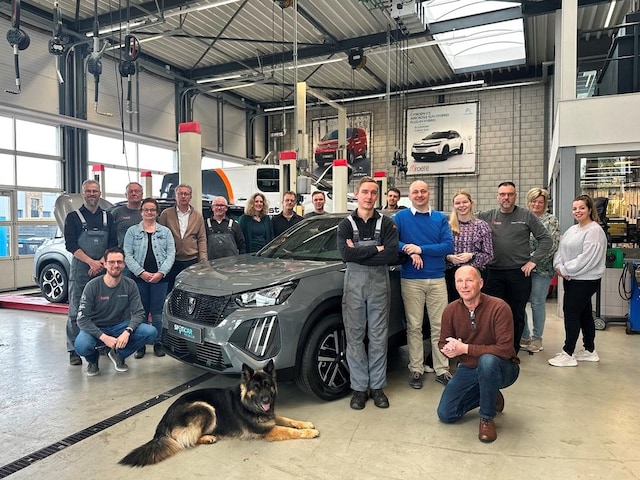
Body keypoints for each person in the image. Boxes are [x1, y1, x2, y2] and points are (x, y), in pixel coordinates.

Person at [437, 265, 520, 443]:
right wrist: (448, 349)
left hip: (503, 368)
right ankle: (490, 393)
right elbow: (442, 342)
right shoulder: (450, 310)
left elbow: (505, 349)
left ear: (480, 283)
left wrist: (465, 349)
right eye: (459, 281)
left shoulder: (499, 307)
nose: (464, 286)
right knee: (446, 414)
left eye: (469, 280)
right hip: (469, 367)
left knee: (487, 361)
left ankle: (486, 418)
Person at [337, 176, 399, 410]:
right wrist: (376, 249)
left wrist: (361, 253)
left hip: (379, 286)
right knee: (354, 337)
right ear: (356, 194)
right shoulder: (345, 225)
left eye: (373, 192)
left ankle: (377, 387)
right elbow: (346, 255)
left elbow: (391, 255)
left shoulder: (387, 223)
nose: (369, 196)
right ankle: (359, 388)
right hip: (353, 285)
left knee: (378, 336)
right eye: (365, 192)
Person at [477, 182, 552, 353]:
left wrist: (533, 261)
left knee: (516, 313)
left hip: (518, 273)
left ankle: (512, 350)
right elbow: (465, 217)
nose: (506, 198)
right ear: (497, 196)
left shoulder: (526, 215)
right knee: (493, 312)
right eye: (502, 194)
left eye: (510, 194)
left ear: (515, 196)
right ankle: (496, 346)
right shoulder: (488, 216)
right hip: (493, 273)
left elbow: (546, 239)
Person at [394, 180, 454, 389]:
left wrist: (420, 249)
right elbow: (393, 242)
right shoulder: (400, 217)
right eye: (415, 192)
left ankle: (442, 369)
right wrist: (409, 249)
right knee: (414, 326)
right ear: (409, 195)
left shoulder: (440, 218)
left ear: (429, 193)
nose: (419, 195)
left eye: (423, 191)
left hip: (437, 278)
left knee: (440, 326)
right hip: (411, 279)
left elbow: (448, 246)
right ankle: (416, 369)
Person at [74, 247, 157, 377]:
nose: (116, 265)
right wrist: (104, 337)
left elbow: (139, 312)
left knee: (150, 332)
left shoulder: (130, 285)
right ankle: (93, 361)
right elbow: (82, 319)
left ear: (124, 264)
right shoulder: (92, 286)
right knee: (82, 346)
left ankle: (118, 354)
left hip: (120, 326)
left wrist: (127, 331)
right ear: (105, 264)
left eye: (119, 262)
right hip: (96, 327)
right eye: (111, 262)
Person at [549, 194, 607, 367]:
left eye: (582, 208)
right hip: (571, 278)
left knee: (571, 314)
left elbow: (587, 259)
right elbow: (560, 250)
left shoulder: (594, 231)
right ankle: (590, 350)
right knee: (584, 314)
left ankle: (568, 353)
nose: (578, 211)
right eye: (575, 208)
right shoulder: (573, 229)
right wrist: (559, 266)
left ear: (589, 209)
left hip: (585, 281)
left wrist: (566, 269)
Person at [64, 179, 118, 366]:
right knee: (76, 310)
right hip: (81, 269)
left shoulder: (108, 217)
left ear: (100, 193)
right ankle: (73, 349)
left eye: (95, 191)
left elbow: (113, 242)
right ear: (83, 194)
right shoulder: (73, 217)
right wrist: (91, 262)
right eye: (88, 191)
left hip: (102, 268)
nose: (92, 194)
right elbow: (71, 244)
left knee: (101, 308)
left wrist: (102, 261)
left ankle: (100, 344)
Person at [124, 198, 176, 359]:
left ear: (157, 212)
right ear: (141, 212)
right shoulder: (132, 232)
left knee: (158, 313)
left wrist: (161, 273)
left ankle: (158, 342)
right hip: (139, 279)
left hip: (160, 279)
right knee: (141, 312)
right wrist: (141, 272)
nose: (149, 212)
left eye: (152, 210)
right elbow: (127, 254)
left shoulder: (165, 232)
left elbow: (171, 254)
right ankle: (140, 344)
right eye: (146, 209)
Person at [520, 188, 560, 353]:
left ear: (545, 203)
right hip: (521, 268)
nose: (536, 204)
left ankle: (537, 338)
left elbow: (552, 245)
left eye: (540, 202)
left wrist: (533, 260)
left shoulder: (551, 220)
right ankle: (524, 335)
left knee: (537, 302)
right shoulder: (523, 218)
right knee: (519, 302)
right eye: (533, 201)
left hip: (541, 269)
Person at [445, 190, 493, 302]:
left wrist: (472, 256)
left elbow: (489, 255)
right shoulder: (447, 227)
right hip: (452, 275)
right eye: (458, 203)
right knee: (455, 306)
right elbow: (440, 251)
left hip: (475, 274)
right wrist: (449, 258)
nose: (461, 205)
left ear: (471, 203)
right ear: (453, 206)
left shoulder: (482, 226)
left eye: (465, 202)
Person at [159, 184, 207, 291]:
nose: (183, 196)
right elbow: (160, 238)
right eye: (180, 194)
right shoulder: (166, 214)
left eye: (186, 194)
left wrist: (203, 261)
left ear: (190, 197)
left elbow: (202, 239)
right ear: (175, 196)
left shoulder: (198, 216)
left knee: (191, 290)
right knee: (171, 291)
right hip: (171, 260)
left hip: (191, 260)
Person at [110, 182, 143, 247]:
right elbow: (110, 236)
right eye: (131, 191)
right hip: (122, 251)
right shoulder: (116, 213)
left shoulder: (149, 213)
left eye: (137, 191)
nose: (134, 193)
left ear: (142, 194)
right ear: (126, 195)